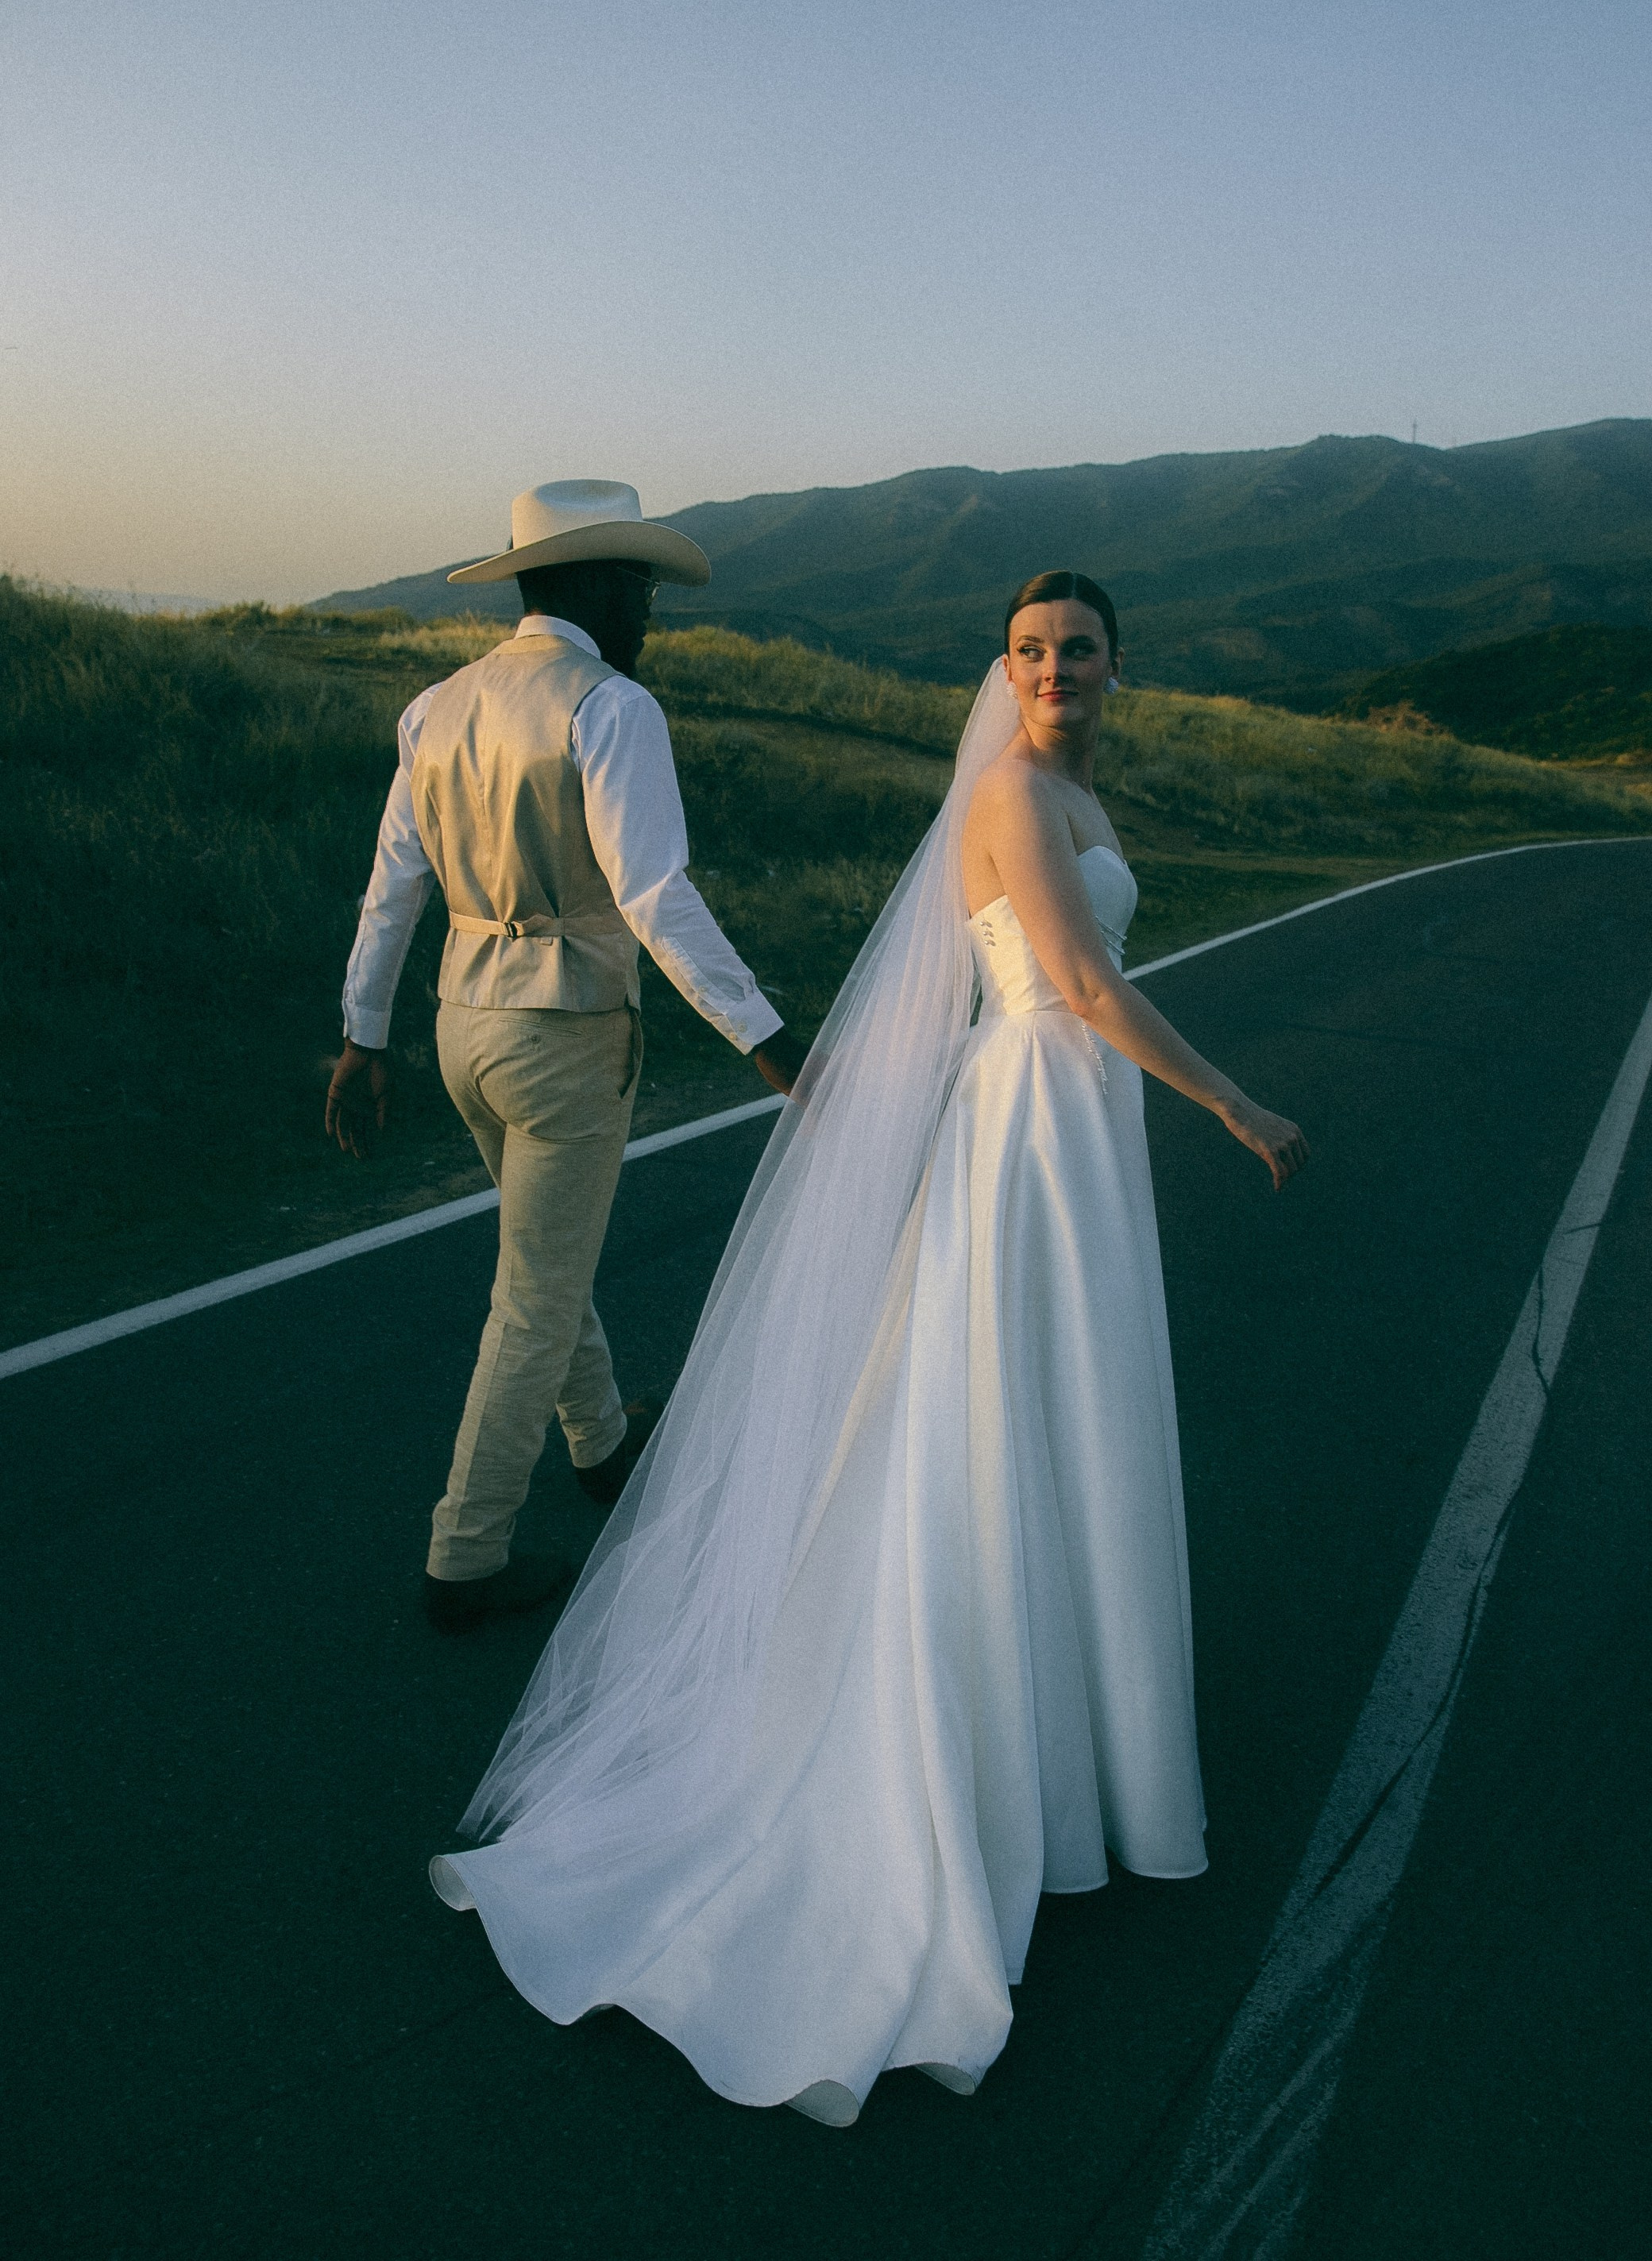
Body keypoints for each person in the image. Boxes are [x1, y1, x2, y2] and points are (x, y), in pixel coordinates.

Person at [427, 570, 1308, 2121]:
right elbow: (1083, 985)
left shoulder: (1070, 785)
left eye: (1077, 649)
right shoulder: (1017, 796)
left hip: (1067, 1123)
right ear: (1006, 667)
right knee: (1005, 1430)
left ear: (1116, 662)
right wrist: (1232, 1102)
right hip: (1037, 1117)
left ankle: (1068, 1758)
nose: (1051, 669)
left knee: (1058, 1425)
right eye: (1028, 650)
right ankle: (969, 1779)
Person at [325, 478, 807, 1635]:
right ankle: (467, 1553)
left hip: (459, 1026)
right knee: (533, 1297)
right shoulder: (610, 704)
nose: (649, 608)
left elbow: (393, 889)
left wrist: (362, 1034)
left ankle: (599, 1442)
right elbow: (651, 891)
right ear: (594, 583)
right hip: (566, 1031)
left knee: (547, 1253)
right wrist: (767, 1036)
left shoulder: (435, 707)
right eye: (638, 584)